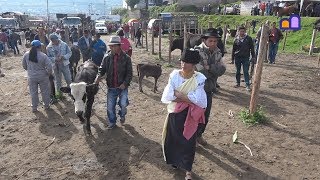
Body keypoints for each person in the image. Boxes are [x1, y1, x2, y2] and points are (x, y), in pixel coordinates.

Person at [161, 49, 207, 180]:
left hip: (190, 115)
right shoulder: (174, 75)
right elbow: (168, 95)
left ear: (193, 64)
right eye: (182, 61)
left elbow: (200, 100)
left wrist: (179, 94)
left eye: (187, 62)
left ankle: (188, 171)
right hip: (175, 114)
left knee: (188, 142)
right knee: (173, 139)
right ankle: (175, 161)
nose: (183, 64)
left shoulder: (199, 78)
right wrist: (185, 97)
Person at [194, 28, 225, 145]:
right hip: (196, 89)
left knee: (206, 115)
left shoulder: (218, 52)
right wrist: (213, 70)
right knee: (195, 115)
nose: (213, 43)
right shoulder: (197, 52)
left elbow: (222, 70)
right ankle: (192, 138)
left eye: (215, 41)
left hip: (209, 89)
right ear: (204, 40)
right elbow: (201, 72)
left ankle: (199, 135)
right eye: (211, 41)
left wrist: (210, 68)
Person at [94, 36, 133, 129]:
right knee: (110, 107)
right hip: (111, 86)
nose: (111, 48)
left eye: (113, 46)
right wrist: (98, 76)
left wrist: (125, 83)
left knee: (123, 104)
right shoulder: (106, 57)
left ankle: (122, 114)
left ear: (119, 46)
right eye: (110, 46)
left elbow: (129, 73)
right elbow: (101, 69)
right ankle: (112, 122)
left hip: (122, 87)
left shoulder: (126, 58)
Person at [22, 40, 52, 112]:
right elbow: (49, 67)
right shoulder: (43, 56)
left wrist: (30, 70)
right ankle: (46, 105)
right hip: (43, 76)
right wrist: (48, 74)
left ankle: (34, 107)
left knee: (33, 92)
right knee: (45, 91)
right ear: (39, 47)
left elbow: (24, 65)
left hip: (31, 76)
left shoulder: (26, 54)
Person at [46, 34, 72, 100]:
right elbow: (48, 57)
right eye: (53, 41)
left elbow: (69, 53)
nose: (55, 42)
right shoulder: (48, 47)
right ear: (51, 40)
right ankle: (60, 94)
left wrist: (64, 57)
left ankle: (70, 92)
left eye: (56, 40)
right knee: (58, 81)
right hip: (56, 66)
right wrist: (55, 59)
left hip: (65, 64)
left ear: (57, 39)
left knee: (68, 79)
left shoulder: (64, 44)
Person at [231, 26, 256, 91]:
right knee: (237, 71)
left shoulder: (249, 39)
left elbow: (252, 48)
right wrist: (232, 59)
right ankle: (238, 83)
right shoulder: (236, 39)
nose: (242, 32)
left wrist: (253, 57)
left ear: (245, 31)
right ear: (238, 31)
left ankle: (247, 85)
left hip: (246, 58)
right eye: (240, 31)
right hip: (237, 57)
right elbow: (233, 50)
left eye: (243, 31)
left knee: (245, 71)